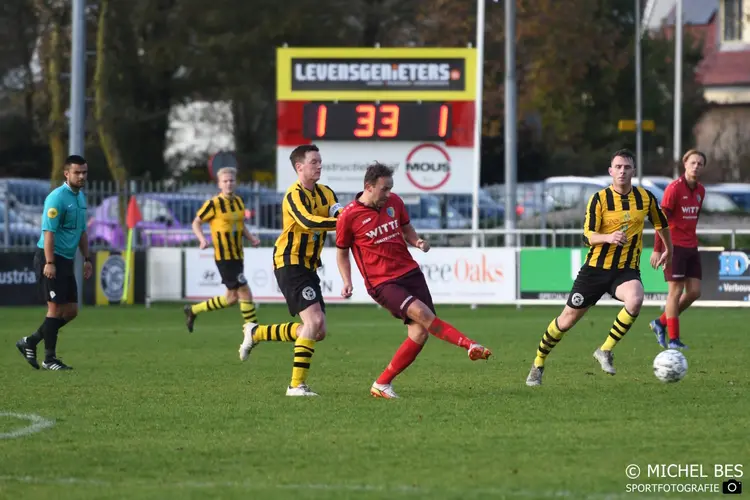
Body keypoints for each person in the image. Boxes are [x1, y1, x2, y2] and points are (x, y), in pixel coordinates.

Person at [335, 163, 492, 399]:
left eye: (390, 189)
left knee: (419, 334)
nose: (388, 194)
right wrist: (346, 280)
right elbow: (342, 252)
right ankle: (470, 345)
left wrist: (417, 242)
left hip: (410, 272)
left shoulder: (394, 202)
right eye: (384, 189)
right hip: (382, 283)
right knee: (425, 315)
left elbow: (406, 229)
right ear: (368, 187)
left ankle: (382, 383)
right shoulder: (348, 216)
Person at [525, 149, 673, 387]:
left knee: (635, 299)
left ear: (633, 171)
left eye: (627, 167)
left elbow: (662, 224)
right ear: (610, 171)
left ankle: (605, 350)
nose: (622, 171)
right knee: (565, 321)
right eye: (618, 167)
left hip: (625, 269)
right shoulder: (599, 199)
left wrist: (666, 249)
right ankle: (538, 363)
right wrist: (608, 237)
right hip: (594, 270)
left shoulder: (645, 198)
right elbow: (587, 237)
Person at [238, 144, 342, 397]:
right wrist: (345, 221)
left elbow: (337, 211)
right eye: (314, 162)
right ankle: (295, 386)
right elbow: (307, 222)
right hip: (289, 261)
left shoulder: (326, 192)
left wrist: (348, 214)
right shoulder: (293, 195)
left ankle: (256, 332)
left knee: (319, 331)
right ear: (300, 167)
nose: (319, 166)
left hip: (308, 266)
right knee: (314, 321)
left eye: (320, 161)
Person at [16, 155, 93, 371]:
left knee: (71, 311)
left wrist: (86, 259)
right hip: (50, 257)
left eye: (84, 172)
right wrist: (49, 263)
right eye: (77, 172)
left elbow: (82, 232)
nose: (82, 176)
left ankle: (30, 341)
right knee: (55, 308)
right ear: (66, 174)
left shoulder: (80, 198)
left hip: (67, 260)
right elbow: (48, 233)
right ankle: (49, 359)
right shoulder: (56, 198)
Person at [183, 167, 261, 336]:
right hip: (224, 256)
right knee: (245, 291)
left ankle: (193, 310)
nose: (228, 183)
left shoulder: (239, 202)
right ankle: (253, 329)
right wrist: (202, 239)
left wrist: (251, 238)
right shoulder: (213, 204)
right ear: (219, 184)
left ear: (235, 182)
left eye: (231, 180)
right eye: (225, 181)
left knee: (231, 298)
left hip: (238, 255)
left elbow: (240, 225)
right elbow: (196, 222)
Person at [649, 150, 706, 350]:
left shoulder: (701, 191)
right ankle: (674, 340)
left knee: (695, 292)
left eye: (700, 163)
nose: (696, 166)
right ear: (685, 164)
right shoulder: (673, 189)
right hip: (674, 247)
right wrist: (658, 248)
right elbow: (660, 220)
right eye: (693, 162)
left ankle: (661, 322)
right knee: (675, 291)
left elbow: (694, 219)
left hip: (691, 246)